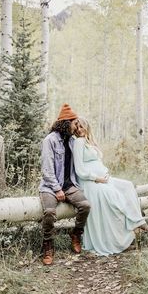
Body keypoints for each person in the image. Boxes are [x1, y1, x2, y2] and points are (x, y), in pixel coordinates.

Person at [73, 117, 148, 256]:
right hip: (90, 183)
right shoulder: (78, 142)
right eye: (77, 128)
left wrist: (104, 173)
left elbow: (97, 162)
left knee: (128, 186)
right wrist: (97, 178)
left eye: (82, 126)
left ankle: (138, 222)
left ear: (87, 126)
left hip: (102, 179)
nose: (80, 130)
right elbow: (79, 170)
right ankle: (118, 243)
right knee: (113, 198)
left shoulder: (90, 141)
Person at [39, 104, 91, 265]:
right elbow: (47, 170)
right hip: (50, 186)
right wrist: (56, 189)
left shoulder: (73, 141)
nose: (76, 126)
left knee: (85, 205)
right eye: (74, 123)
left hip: (69, 185)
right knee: (49, 212)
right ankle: (48, 245)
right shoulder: (50, 140)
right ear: (66, 123)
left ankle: (76, 233)